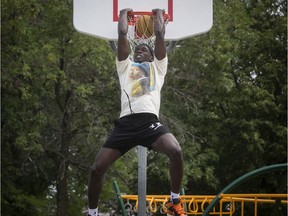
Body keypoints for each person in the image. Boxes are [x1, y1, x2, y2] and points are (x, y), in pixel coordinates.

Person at [87, 8, 187, 216]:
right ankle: (92, 212)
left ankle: (174, 201)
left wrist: (159, 13)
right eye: (137, 50)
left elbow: (159, 35)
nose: (139, 51)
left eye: (144, 50)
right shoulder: (125, 67)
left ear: (152, 56)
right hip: (126, 124)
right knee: (97, 169)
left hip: (150, 123)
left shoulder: (158, 68)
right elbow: (123, 34)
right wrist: (123, 13)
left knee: (176, 151)